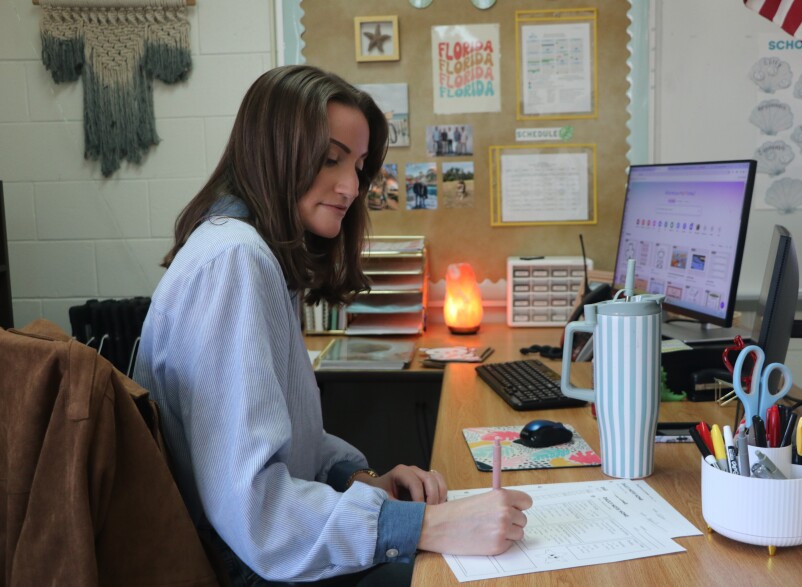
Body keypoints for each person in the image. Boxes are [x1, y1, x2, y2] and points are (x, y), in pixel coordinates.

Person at [133, 65, 532, 587]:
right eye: (329, 159)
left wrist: (364, 481)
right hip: (249, 569)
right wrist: (427, 524)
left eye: (360, 166)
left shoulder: (257, 250)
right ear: (275, 151)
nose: (351, 187)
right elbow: (256, 513)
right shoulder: (236, 258)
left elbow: (290, 442)